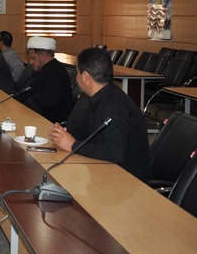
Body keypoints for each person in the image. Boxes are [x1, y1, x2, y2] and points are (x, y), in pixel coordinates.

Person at [49, 47, 150, 181]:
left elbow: (115, 153)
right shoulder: (99, 96)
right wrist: (63, 135)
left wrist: (73, 145)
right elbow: (88, 134)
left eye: (77, 73)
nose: (76, 78)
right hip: (105, 169)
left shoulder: (115, 106)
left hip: (127, 179)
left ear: (85, 76)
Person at [22, 36, 73, 123]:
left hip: (49, 123)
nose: (30, 62)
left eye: (33, 58)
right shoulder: (45, 69)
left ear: (43, 55)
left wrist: (23, 106)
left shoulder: (56, 72)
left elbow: (45, 102)